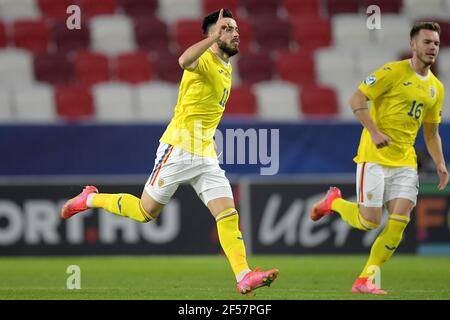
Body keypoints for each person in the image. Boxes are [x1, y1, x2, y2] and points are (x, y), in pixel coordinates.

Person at [61, 8, 278, 295]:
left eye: (235, 28)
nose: (235, 33)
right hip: (179, 148)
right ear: (213, 34)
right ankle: (90, 199)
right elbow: (183, 60)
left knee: (227, 214)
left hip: (206, 154)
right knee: (144, 212)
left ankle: (244, 274)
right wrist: (211, 38)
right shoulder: (204, 58)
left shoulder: (226, 65)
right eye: (227, 28)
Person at [310, 22, 448, 294]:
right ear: (413, 45)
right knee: (369, 221)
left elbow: (432, 133)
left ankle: (365, 279)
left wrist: (441, 163)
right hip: (373, 157)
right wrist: (373, 132)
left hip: (406, 163)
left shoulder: (436, 88)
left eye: (436, 43)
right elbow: (356, 99)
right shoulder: (392, 72)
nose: (432, 47)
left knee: (400, 220)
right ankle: (334, 202)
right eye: (427, 42)